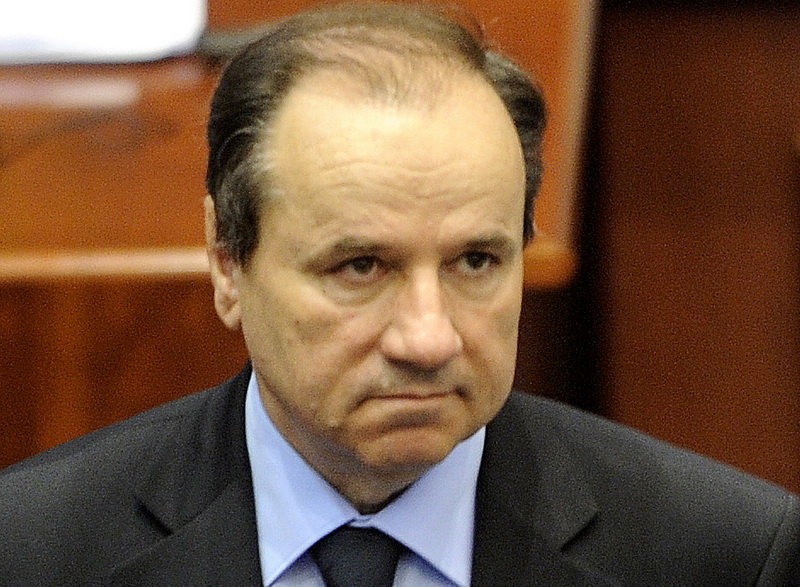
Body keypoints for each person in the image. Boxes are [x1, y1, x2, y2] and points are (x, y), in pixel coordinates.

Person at [1, 2, 798, 586]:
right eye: (361, 267)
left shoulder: (725, 553)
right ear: (226, 262)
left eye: (476, 261)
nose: (429, 338)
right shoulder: (33, 550)